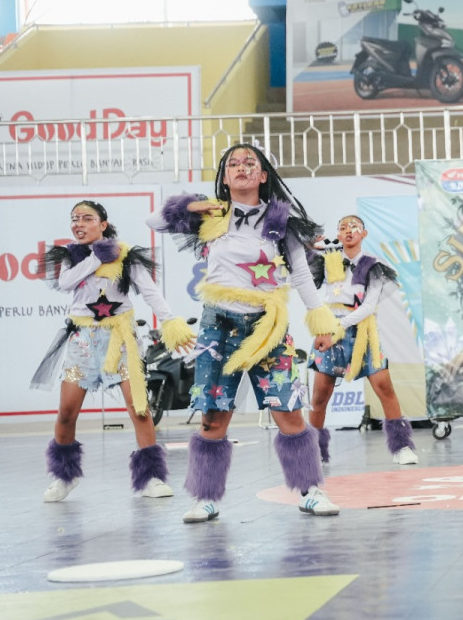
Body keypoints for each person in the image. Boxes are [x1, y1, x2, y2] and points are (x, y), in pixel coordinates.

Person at [147, 143, 344, 523]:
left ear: (263, 174)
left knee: (289, 413)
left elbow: (301, 274)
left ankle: (310, 490)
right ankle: (205, 497)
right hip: (218, 327)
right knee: (212, 417)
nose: (241, 168)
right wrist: (194, 205)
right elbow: (153, 222)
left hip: (268, 328)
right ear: (224, 177)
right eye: (233, 164)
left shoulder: (280, 220)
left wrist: (321, 323)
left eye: (249, 163)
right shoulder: (211, 216)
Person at [34, 200, 196, 503]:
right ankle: (65, 475)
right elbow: (66, 283)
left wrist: (171, 322)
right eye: (75, 219)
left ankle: (151, 477)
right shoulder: (70, 256)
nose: (79, 224)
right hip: (83, 341)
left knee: (140, 408)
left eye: (87, 218)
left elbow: (150, 292)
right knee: (66, 412)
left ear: (103, 224)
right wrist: (96, 258)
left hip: (120, 340)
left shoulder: (126, 255)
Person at [306, 216, 417, 466]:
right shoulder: (326, 261)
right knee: (320, 395)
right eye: (343, 228)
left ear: (363, 234)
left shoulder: (373, 265)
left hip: (363, 331)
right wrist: (308, 247)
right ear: (338, 234)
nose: (348, 231)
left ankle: (401, 446)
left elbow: (368, 306)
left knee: (384, 386)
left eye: (354, 227)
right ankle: (314, 451)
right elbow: (300, 283)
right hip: (329, 331)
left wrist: (339, 327)